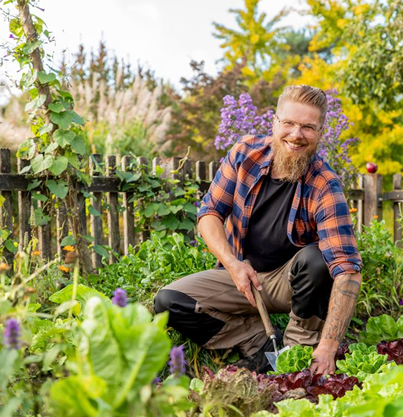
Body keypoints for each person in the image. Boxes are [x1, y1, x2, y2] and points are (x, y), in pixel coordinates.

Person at [154, 85, 362, 375]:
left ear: (321, 131)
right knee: (170, 301)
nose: (296, 135)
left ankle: (297, 350)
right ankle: (259, 346)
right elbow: (209, 213)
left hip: (289, 284)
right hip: (242, 278)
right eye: (288, 123)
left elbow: (347, 270)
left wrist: (329, 345)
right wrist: (233, 264)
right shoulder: (244, 154)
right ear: (274, 122)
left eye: (307, 127)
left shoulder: (325, 184)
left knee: (317, 260)